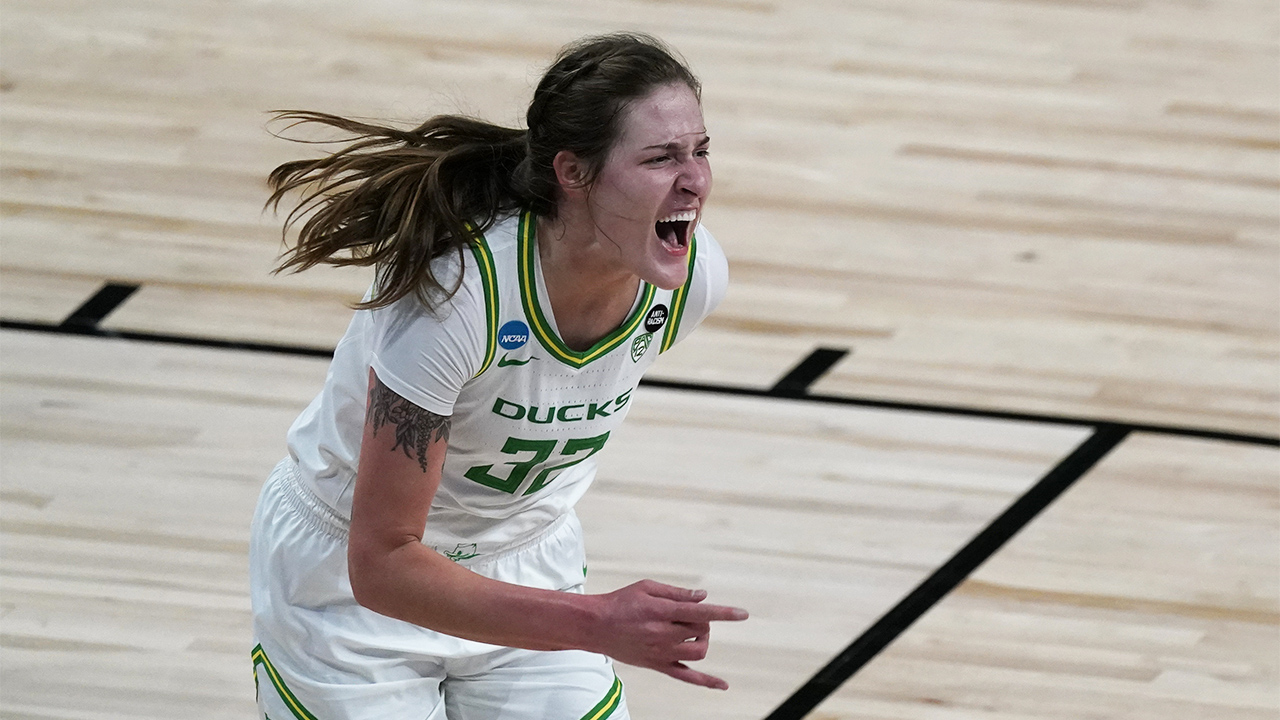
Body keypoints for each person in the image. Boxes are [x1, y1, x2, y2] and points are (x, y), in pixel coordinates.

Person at [248, 32, 745, 720]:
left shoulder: (691, 280)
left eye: (701, 150)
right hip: (352, 587)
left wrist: (581, 617)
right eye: (661, 158)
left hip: (523, 557)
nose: (694, 181)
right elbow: (384, 562)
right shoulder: (457, 293)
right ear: (574, 173)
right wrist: (596, 621)